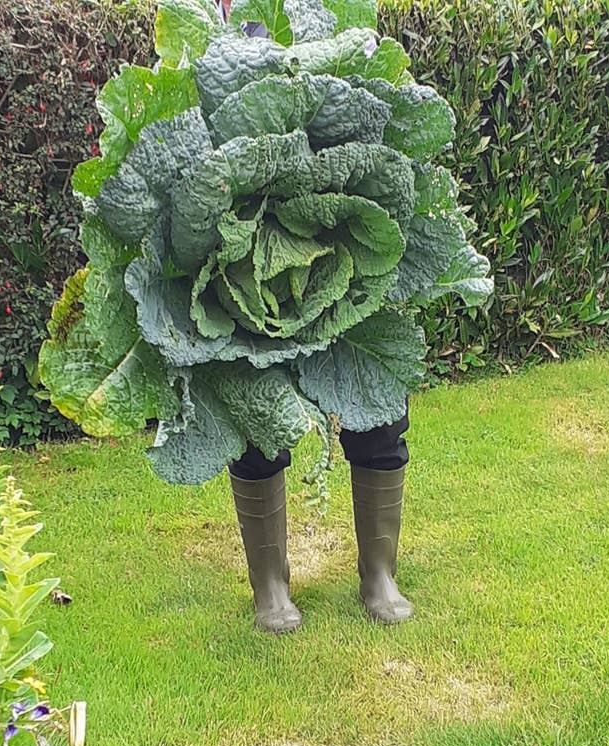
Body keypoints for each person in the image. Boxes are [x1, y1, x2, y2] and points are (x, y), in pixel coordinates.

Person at [215, 0, 413, 633]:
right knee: (255, 423)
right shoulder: (222, 39)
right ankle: (270, 584)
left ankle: (377, 573)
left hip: (340, 250)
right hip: (241, 268)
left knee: (378, 408)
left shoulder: (333, 32)